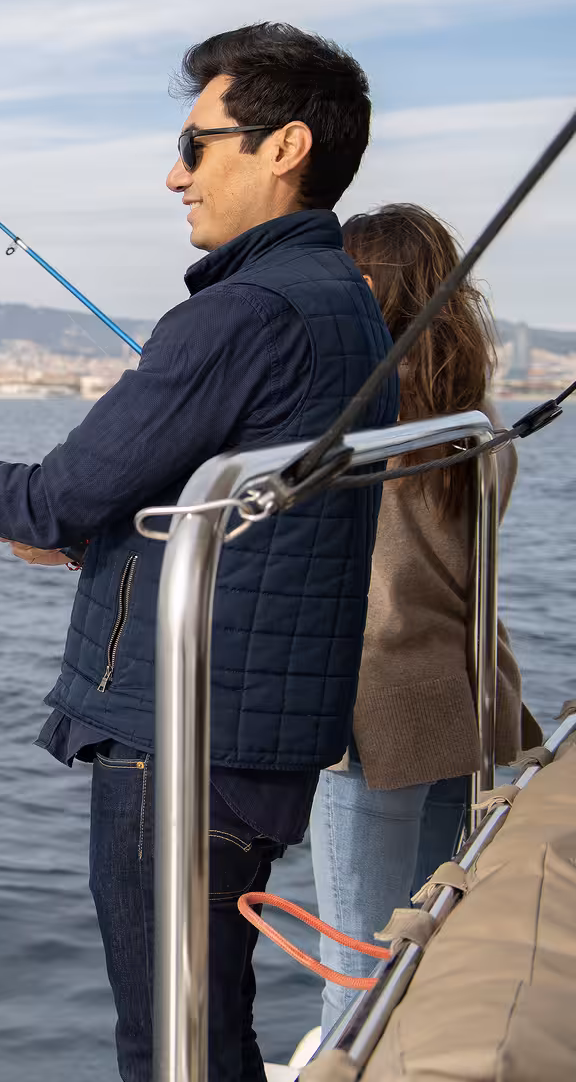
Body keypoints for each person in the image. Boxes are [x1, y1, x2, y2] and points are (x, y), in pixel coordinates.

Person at [0, 22, 396, 1082]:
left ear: (283, 147)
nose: (174, 174)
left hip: (186, 730)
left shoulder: (244, 310)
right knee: (207, 1020)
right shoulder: (344, 302)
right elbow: (245, 507)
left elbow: (53, 496)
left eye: (197, 145)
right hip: (257, 724)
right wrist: (93, 546)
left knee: (170, 1039)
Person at [308, 203, 542, 1033]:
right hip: (467, 702)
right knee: (437, 949)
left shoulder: (357, 426)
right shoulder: (477, 425)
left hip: (379, 717)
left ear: (364, 289)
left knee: (357, 976)